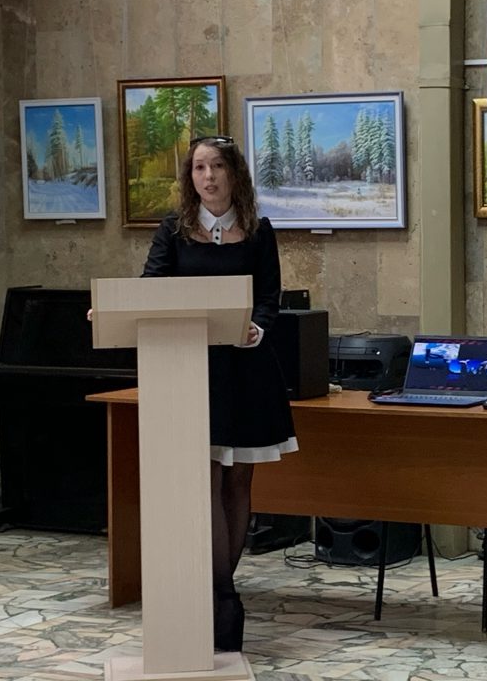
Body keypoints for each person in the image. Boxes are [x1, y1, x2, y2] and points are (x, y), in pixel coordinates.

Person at [142, 134, 297, 653]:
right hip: (194, 374)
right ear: (190, 178)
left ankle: (220, 593)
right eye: (199, 168)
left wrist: (258, 326)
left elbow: (270, 297)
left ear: (234, 175)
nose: (207, 177)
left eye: (217, 168)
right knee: (207, 478)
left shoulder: (258, 230)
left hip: (247, 371)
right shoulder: (173, 230)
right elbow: (150, 288)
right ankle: (223, 598)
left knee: (237, 481)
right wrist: (115, 308)